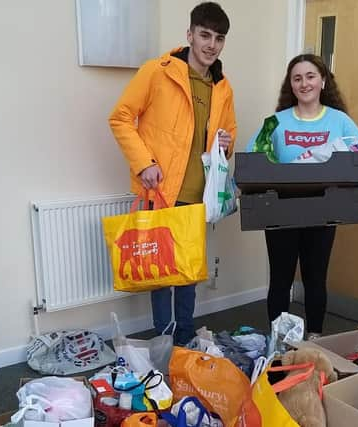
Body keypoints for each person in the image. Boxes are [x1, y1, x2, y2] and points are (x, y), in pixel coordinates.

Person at [108, 2, 236, 345]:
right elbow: (120, 117)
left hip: (199, 196)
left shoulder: (222, 87)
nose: (211, 44)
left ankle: (185, 340)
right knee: (162, 274)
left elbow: (229, 135)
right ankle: (165, 342)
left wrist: (226, 141)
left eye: (219, 38)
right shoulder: (157, 71)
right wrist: (144, 163)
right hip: (162, 192)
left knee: (188, 275)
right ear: (190, 34)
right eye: (205, 35)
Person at [247, 54, 358, 340]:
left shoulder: (339, 121)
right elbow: (253, 157)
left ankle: (316, 338)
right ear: (290, 85)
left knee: (315, 279)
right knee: (280, 281)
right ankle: (278, 340)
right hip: (280, 212)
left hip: (323, 212)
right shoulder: (276, 122)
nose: (304, 83)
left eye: (310, 76)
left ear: (322, 81)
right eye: (297, 78)